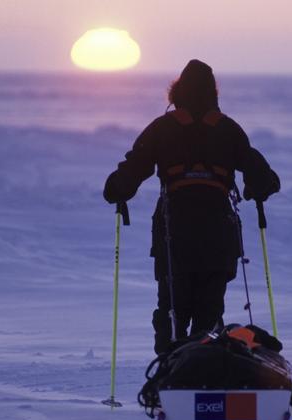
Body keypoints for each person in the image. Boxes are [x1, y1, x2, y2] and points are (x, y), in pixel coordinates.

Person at [103, 59, 279, 354]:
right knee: (209, 314)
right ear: (213, 93)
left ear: (178, 92)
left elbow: (129, 173)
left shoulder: (162, 128)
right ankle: (205, 375)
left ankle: (168, 373)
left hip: (174, 234)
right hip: (217, 236)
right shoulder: (228, 129)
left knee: (172, 309)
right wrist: (254, 188)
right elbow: (264, 179)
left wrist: (117, 190)